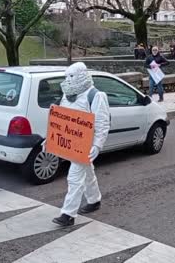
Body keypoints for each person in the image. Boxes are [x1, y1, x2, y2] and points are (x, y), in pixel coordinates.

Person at [52, 62, 110, 227]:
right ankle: (94, 199)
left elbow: (102, 123)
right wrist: (52, 139)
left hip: (85, 144)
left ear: (81, 75)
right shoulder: (66, 95)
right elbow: (60, 120)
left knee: (74, 177)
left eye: (72, 76)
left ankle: (68, 213)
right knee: (88, 172)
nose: (68, 80)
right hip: (71, 143)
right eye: (66, 76)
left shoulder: (96, 96)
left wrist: (97, 145)